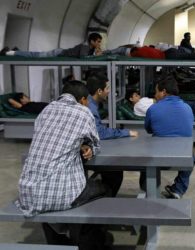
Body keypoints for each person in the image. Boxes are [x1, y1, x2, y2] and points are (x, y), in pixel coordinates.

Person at [16, 81, 111, 249]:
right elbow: (96, 144)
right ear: (82, 99)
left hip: (28, 192)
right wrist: (89, 148)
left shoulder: (46, 110)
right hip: (60, 194)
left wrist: (80, 145)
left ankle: (57, 242)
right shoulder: (83, 112)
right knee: (104, 190)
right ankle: (89, 243)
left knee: (48, 196)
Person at [86, 74, 138, 196]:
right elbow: (101, 133)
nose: (109, 91)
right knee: (115, 171)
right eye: (108, 88)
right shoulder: (90, 107)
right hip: (86, 151)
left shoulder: (91, 103)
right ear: (99, 91)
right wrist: (126, 132)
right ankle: (106, 199)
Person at [144, 76, 194, 199]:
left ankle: (148, 188)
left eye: (156, 92)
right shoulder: (188, 108)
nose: (155, 95)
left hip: (158, 154)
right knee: (192, 158)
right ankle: (178, 189)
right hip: (184, 155)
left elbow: (148, 129)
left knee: (143, 158)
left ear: (164, 92)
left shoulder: (153, 109)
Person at [1, 33, 103, 58]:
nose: (99, 43)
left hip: (60, 52)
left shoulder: (89, 47)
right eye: (98, 41)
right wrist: (95, 55)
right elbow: (83, 57)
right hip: (58, 53)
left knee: (35, 54)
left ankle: (17, 51)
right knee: (36, 55)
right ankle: (9, 52)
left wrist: (95, 52)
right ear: (92, 41)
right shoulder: (85, 46)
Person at [126, 90, 195, 117]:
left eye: (138, 94)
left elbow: (155, 100)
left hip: (164, 106)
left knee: (191, 105)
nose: (138, 96)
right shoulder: (137, 106)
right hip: (164, 109)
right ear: (131, 99)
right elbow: (152, 110)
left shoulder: (142, 100)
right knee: (192, 106)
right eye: (135, 96)